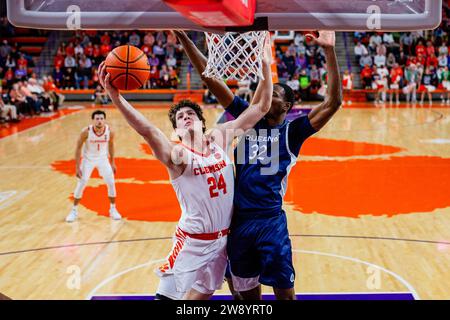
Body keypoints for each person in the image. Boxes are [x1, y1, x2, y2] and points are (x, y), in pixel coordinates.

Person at [97, 33, 274, 300]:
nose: (186, 116)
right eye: (180, 117)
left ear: (202, 122)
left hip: (224, 241)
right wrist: (115, 97)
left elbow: (260, 106)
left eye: (190, 113)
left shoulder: (219, 138)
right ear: (177, 131)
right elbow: (147, 131)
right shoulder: (179, 155)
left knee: (202, 298)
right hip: (193, 241)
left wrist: (265, 63)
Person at [174, 30, 341, 300]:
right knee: (247, 298)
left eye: (273, 93)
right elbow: (211, 78)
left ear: (286, 105)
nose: (263, 95)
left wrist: (329, 51)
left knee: (286, 295)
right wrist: (187, 41)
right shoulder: (249, 118)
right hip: (238, 221)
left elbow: (333, 103)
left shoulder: (294, 131)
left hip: (270, 221)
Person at [65, 110, 122, 222]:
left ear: (104, 120)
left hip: (103, 159)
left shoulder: (110, 132)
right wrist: (77, 167)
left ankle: (113, 209)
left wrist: (113, 162)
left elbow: (111, 146)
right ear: (93, 120)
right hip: (88, 160)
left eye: (101, 118)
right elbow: (78, 148)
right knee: (82, 183)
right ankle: (74, 210)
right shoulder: (86, 132)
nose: (99, 121)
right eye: (97, 119)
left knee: (111, 182)